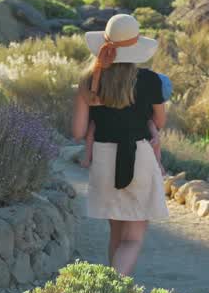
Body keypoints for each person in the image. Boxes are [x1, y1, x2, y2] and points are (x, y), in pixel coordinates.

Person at [72, 14, 170, 278]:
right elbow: (160, 121)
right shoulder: (150, 81)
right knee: (133, 238)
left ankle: (113, 291)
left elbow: (78, 131)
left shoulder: (88, 81)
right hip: (139, 157)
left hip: (104, 159)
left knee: (116, 233)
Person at [81, 72, 171, 174]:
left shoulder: (100, 80)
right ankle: (158, 163)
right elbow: (157, 130)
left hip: (108, 144)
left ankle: (87, 157)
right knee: (155, 138)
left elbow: (82, 131)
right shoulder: (149, 84)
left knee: (93, 125)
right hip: (137, 145)